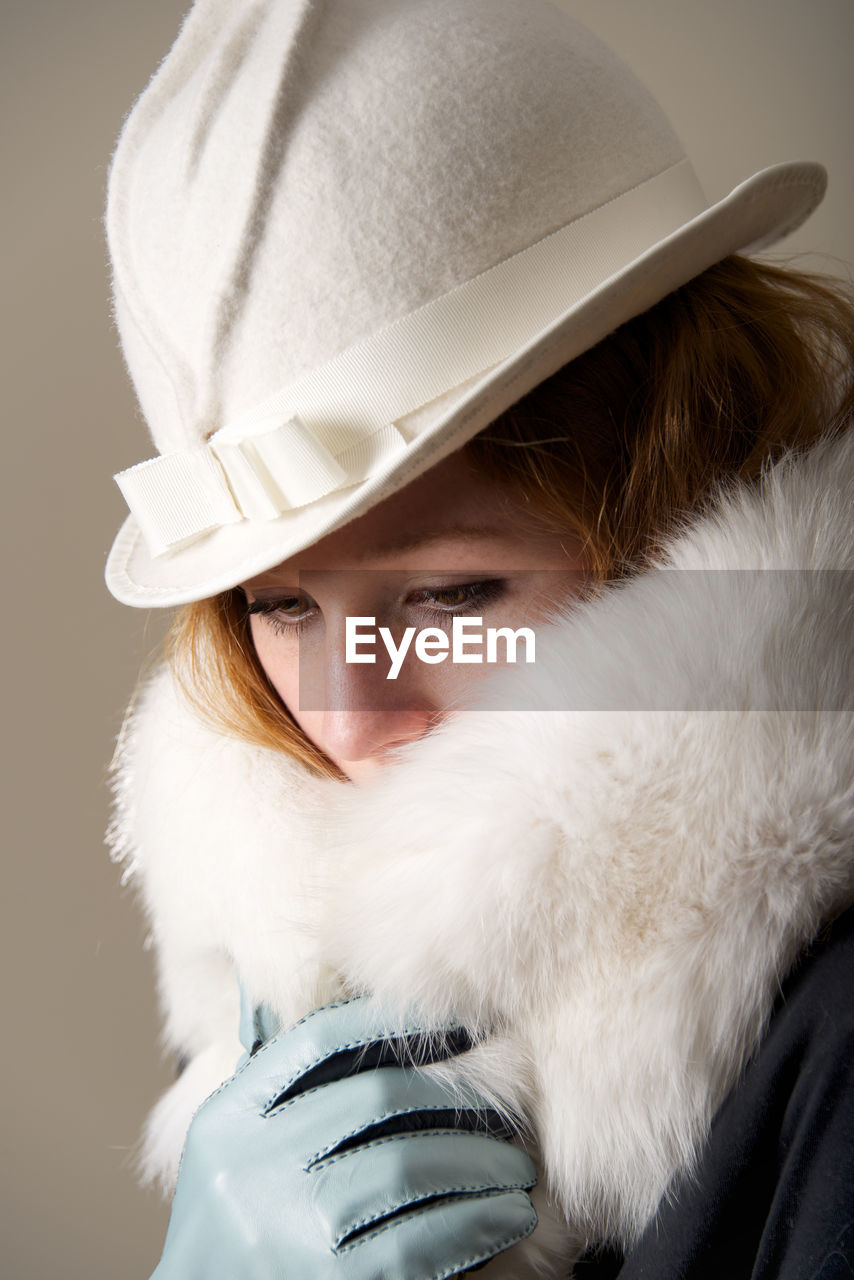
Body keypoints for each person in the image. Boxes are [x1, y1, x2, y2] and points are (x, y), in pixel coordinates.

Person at [104, 1, 854, 1275]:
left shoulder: (831, 1030)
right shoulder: (277, 999)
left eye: (449, 596)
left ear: (686, 499)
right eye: (278, 605)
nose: (341, 720)